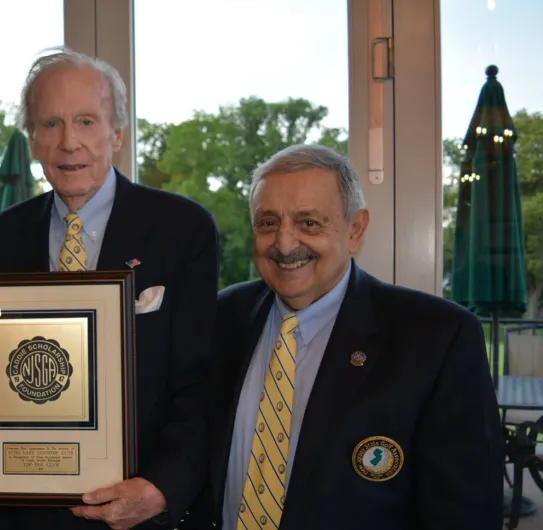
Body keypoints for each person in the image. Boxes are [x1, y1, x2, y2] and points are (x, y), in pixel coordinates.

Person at [0, 47, 220, 529]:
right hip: (24, 511)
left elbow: (200, 380)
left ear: (118, 134)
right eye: (50, 124)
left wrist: (163, 487)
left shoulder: (183, 228)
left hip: (138, 512)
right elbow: (14, 357)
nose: (69, 142)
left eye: (86, 122)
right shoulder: (6, 233)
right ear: (33, 141)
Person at [184, 144, 503, 530]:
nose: (284, 244)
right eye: (268, 223)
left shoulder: (438, 338)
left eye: (309, 223)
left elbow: (465, 512)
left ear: (356, 229)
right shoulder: (221, 317)